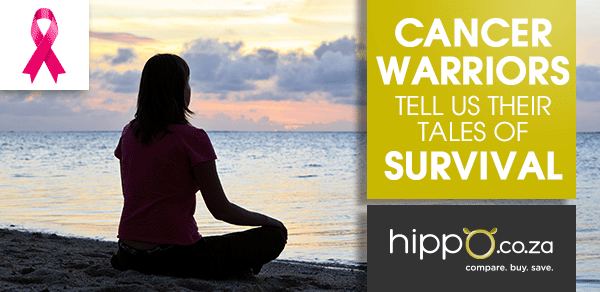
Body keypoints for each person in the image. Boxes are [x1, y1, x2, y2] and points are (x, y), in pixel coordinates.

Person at [110, 53, 287, 279]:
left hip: (127, 255)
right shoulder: (192, 138)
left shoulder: (129, 133)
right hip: (178, 257)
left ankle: (233, 269)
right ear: (177, 89)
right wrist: (269, 221)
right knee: (274, 236)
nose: (189, 88)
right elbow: (220, 209)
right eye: (187, 82)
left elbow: (133, 194)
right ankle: (235, 270)